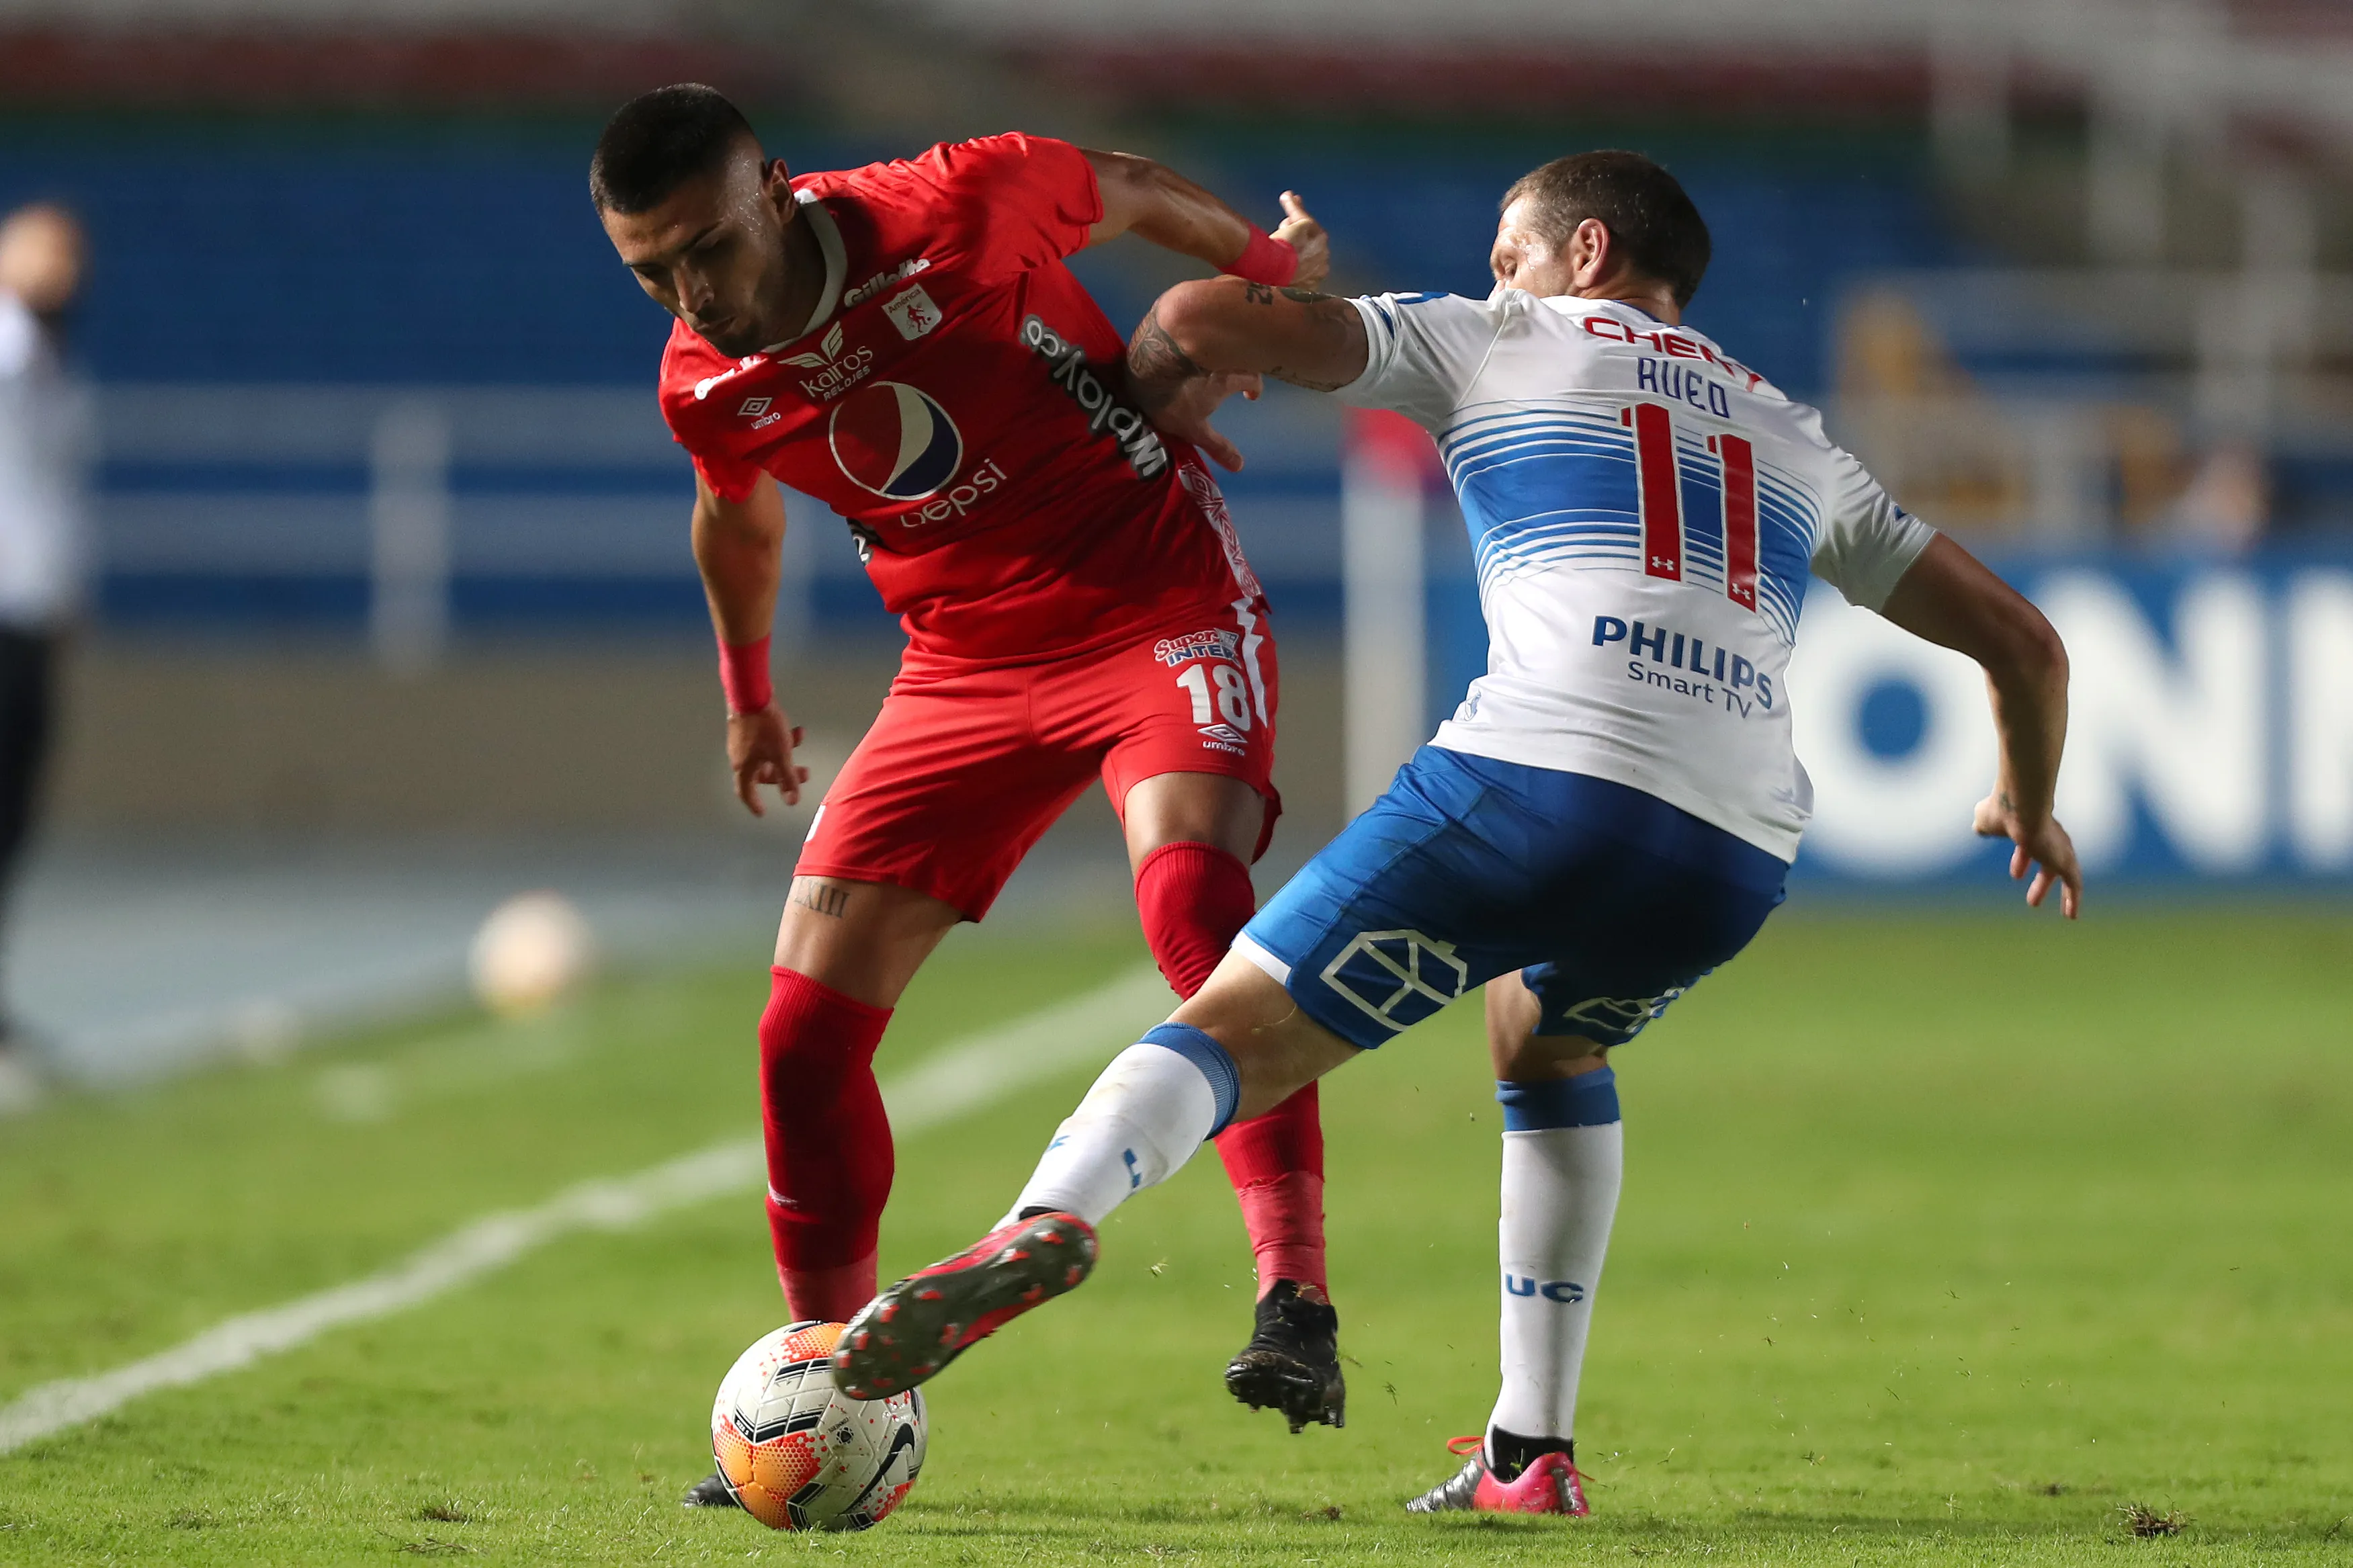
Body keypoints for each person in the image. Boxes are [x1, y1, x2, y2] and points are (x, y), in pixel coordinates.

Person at [833, 150, 2084, 1518]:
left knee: (1233, 1018)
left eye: (1510, 251)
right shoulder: (1794, 436)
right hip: (1728, 850)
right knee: (1544, 1037)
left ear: (1587, 253)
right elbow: (2024, 645)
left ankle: (1045, 1219)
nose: (1494, 274)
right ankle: (1526, 1456)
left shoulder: (1493, 337)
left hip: (1538, 777)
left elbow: (1196, 319)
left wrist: (1199, 347)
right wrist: (2023, 798)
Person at [586, 87, 1350, 1497]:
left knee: (1192, 900)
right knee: (798, 1036)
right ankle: (822, 1377)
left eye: (706, 247)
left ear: (771, 186)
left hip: (1147, 593)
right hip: (960, 665)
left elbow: (1122, 185)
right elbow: (733, 512)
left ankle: (1291, 1304)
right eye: (651, 270)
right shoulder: (700, 377)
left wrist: (1259, 268)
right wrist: (750, 695)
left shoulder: (950, 203)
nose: (691, 290)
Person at [0, 202, 89, 1114]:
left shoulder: (49, 362)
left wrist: (62, 591)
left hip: (28, 616)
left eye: (70, 254)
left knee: (14, 820)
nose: (60, 267)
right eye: (42, 248)